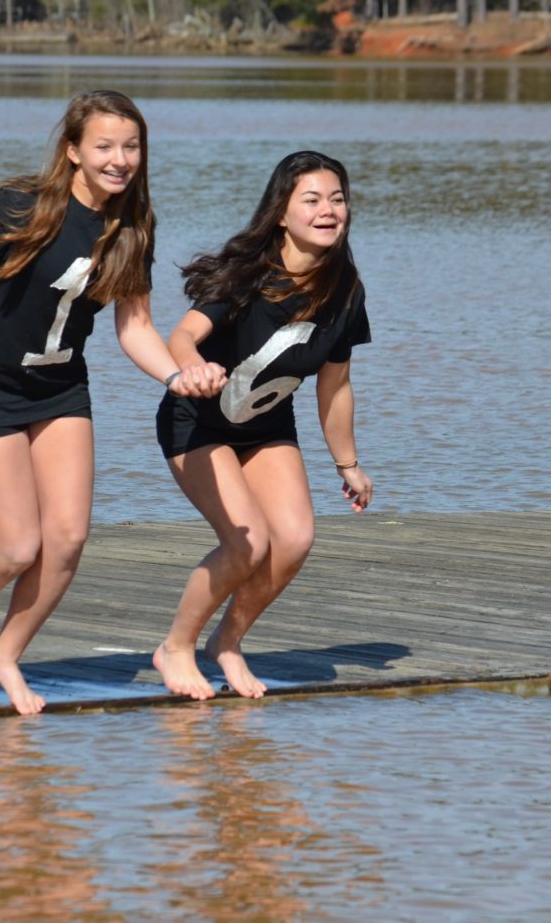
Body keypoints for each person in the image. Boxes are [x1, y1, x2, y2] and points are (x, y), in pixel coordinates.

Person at [0, 89, 221, 715]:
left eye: (131, 147)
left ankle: (5, 657)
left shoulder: (134, 224)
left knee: (68, 538)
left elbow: (135, 326)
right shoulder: (21, 204)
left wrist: (174, 375)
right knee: (15, 546)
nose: (119, 159)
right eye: (104, 146)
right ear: (73, 150)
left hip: (59, 389)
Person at [152, 150, 374, 701]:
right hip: (197, 423)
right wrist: (190, 366)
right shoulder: (246, 275)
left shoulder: (345, 289)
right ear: (281, 212)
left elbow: (335, 386)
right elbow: (182, 336)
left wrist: (347, 463)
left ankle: (226, 643)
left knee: (294, 538)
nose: (328, 210)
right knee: (246, 541)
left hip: (266, 427)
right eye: (312, 200)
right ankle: (175, 647)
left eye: (337, 199)